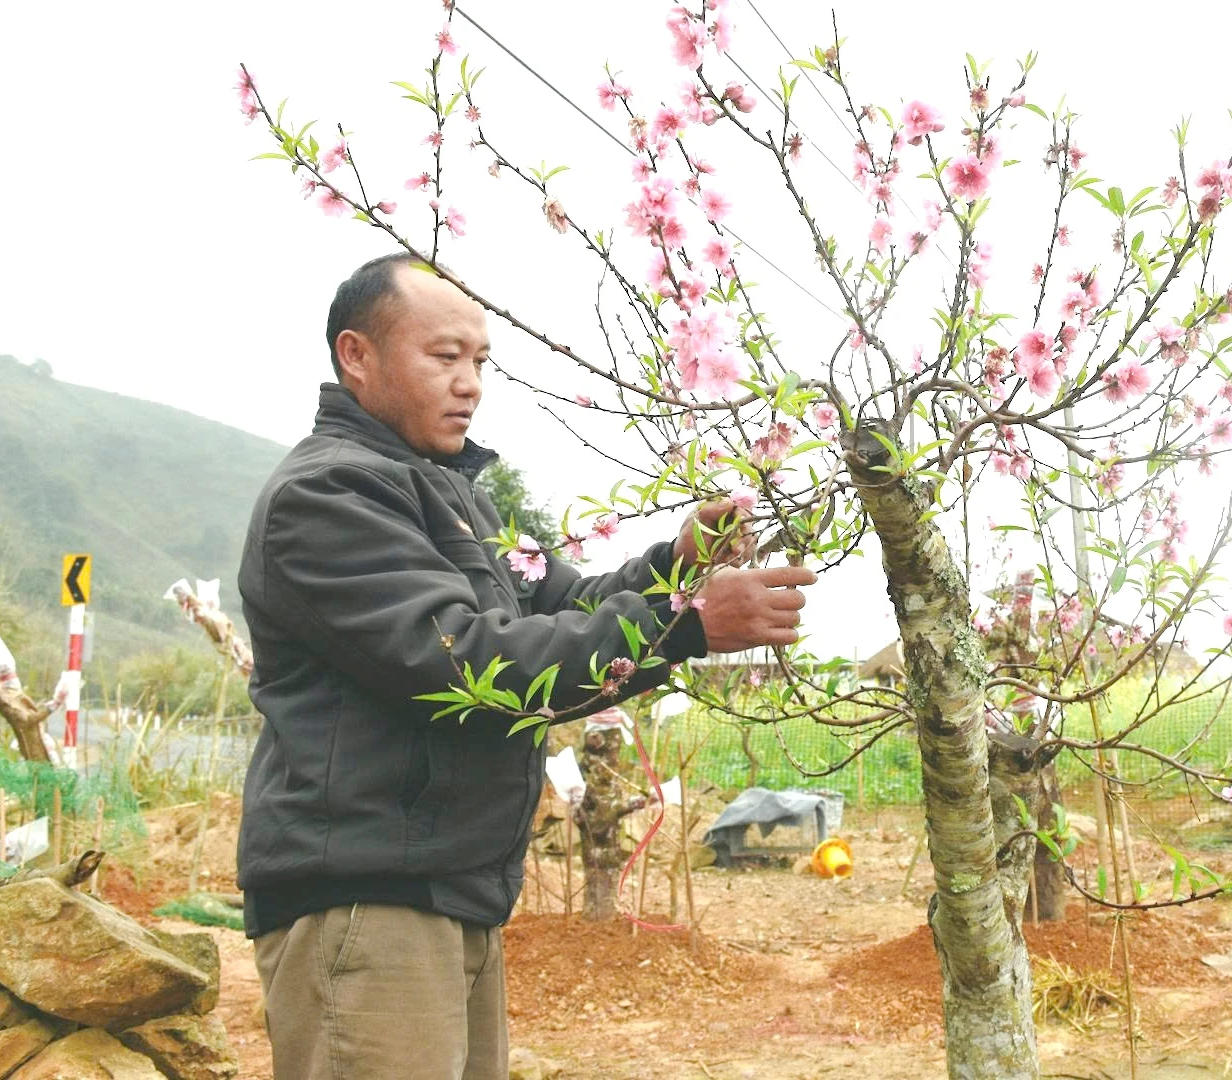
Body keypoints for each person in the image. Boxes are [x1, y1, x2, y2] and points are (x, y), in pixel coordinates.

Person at [236, 252, 816, 1080]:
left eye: (480, 361)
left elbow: (558, 607)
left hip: (446, 887)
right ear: (355, 356)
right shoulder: (329, 496)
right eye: (444, 357)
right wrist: (685, 627)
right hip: (365, 902)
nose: (469, 383)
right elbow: (466, 658)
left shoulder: (452, 498)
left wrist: (677, 566)